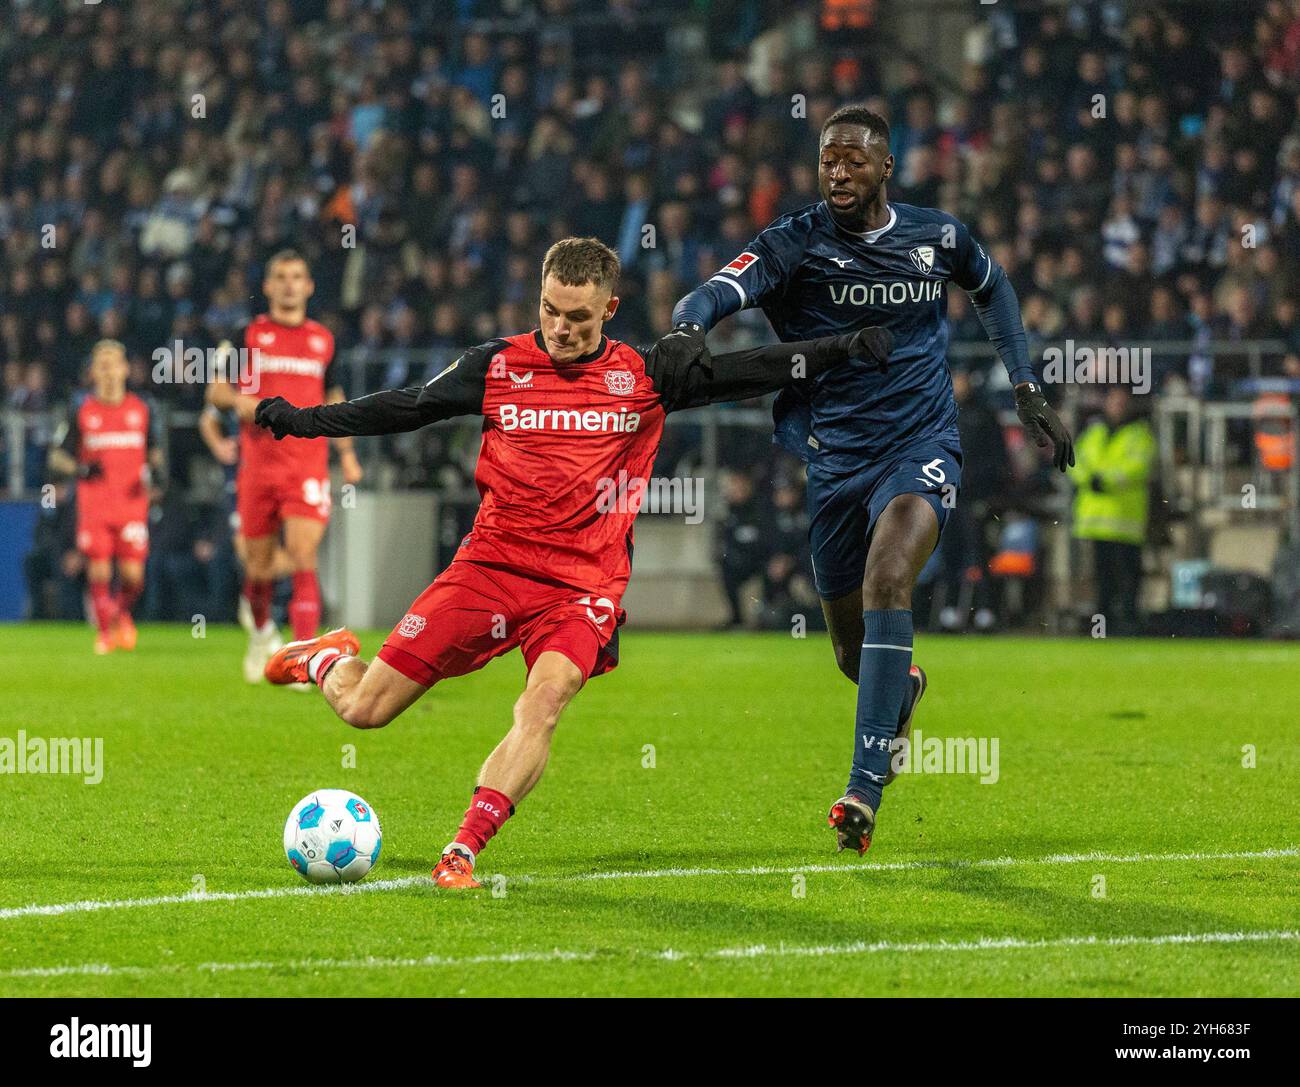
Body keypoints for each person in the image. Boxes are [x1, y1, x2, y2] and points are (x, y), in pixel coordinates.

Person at [254, 237, 891, 888]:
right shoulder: (499, 365)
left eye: (578, 316)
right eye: (550, 309)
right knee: (366, 709)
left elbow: (752, 367)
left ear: (610, 307)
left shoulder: (645, 376)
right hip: (490, 569)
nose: (560, 327)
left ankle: (463, 849)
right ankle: (328, 657)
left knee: (544, 702)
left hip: (581, 587)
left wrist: (838, 348)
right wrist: (307, 422)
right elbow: (407, 406)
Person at [668, 104, 1075, 853]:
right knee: (853, 656)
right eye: (829, 160)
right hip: (835, 461)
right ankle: (903, 690)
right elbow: (717, 290)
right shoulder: (794, 243)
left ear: (887, 166)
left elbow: (996, 289)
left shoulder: (937, 236)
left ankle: (862, 788)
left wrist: (1025, 387)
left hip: (921, 445)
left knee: (891, 578)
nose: (839, 172)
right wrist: (690, 327)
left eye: (855, 159)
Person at [205, 250, 364, 682]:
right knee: (257, 568)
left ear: (309, 286)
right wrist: (244, 403)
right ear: (269, 286)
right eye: (281, 277)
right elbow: (216, 392)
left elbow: (334, 401)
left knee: (302, 554)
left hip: (306, 464)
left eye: (298, 276)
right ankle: (260, 634)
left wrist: (347, 454)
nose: (290, 284)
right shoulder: (247, 334)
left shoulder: (324, 341)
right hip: (258, 465)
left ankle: (304, 661)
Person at [48, 340, 162, 654]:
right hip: (95, 502)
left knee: (132, 576)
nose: (109, 370)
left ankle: (118, 613)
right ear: (93, 372)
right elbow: (57, 456)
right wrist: (80, 468)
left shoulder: (141, 409)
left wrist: (156, 475)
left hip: (131, 503)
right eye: (102, 364)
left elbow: (154, 452)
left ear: (126, 369)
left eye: (114, 363)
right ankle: (104, 634)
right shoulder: (81, 410)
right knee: (98, 569)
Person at [1069, 385, 1155, 636]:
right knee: (1102, 577)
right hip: (1096, 520)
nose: (1117, 406)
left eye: (1121, 402)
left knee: (1129, 576)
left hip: (1125, 519)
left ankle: (1127, 622)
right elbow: (1075, 460)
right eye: (1113, 401)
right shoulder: (1094, 432)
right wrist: (1089, 477)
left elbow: (1138, 467)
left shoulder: (1139, 434)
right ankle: (1104, 622)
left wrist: (1103, 479)